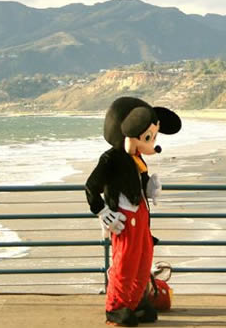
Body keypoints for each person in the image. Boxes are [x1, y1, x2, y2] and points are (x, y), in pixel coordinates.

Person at [85, 97, 182, 327]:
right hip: (124, 221)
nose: (153, 144)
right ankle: (116, 307)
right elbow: (91, 186)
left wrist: (150, 188)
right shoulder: (111, 159)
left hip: (141, 220)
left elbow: (140, 184)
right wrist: (101, 211)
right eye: (148, 138)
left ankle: (136, 300)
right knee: (125, 263)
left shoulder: (137, 159)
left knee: (142, 261)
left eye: (153, 137)